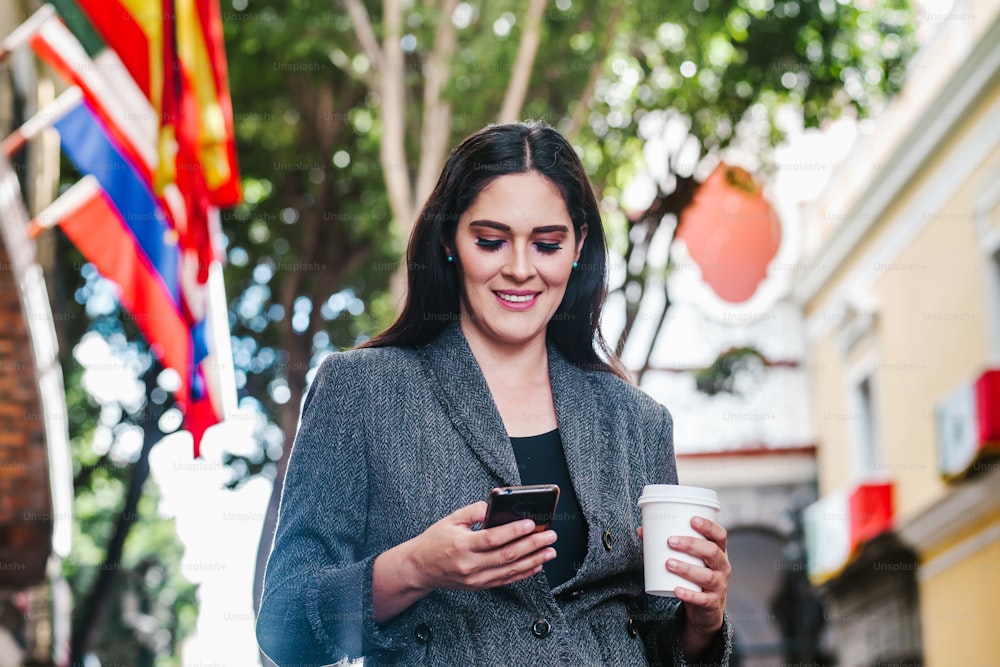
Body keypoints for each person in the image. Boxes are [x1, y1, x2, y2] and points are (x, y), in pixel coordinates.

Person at [255, 121, 733, 666]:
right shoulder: (363, 392)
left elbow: (659, 639)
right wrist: (414, 568)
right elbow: (285, 628)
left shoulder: (636, 422)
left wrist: (703, 620)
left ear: (578, 246)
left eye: (547, 244)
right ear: (447, 239)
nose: (521, 269)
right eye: (490, 241)